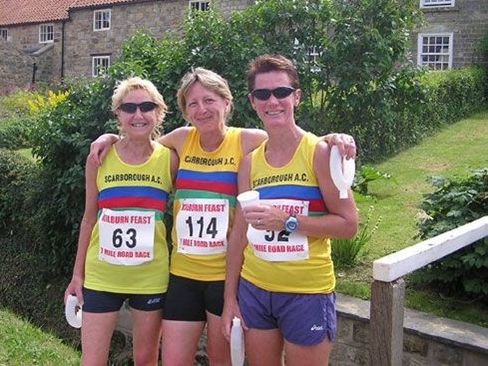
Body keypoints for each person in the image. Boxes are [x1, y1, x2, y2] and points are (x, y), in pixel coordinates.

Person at [89, 68, 357, 365]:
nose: (201, 109)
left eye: (209, 100)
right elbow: (140, 138)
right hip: (183, 275)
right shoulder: (179, 140)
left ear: (227, 103)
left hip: (224, 276)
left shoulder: (248, 141)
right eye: (192, 104)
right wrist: (110, 137)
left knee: (221, 360)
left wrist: (332, 139)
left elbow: (290, 137)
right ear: (185, 111)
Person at [222, 54, 359, 366]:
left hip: (306, 293)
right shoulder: (250, 163)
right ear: (252, 102)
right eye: (263, 94)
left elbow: (349, 224)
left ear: (296, 97)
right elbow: (239, 235)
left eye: (281, 92)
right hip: (255, 290)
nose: (273, 101)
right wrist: (230, 298)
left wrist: (288, 222)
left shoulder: (321, 153)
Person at [64, 77, 179, 366]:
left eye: (146, 107)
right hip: (102, 274)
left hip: (150, 276)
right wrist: (78, 275)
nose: (138, 115)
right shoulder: (99, 157)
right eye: (129, 108)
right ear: (118, 114)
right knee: (92, 361)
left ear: (159, 112)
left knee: (145, 359)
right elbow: (89, 218)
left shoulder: (170, 159)